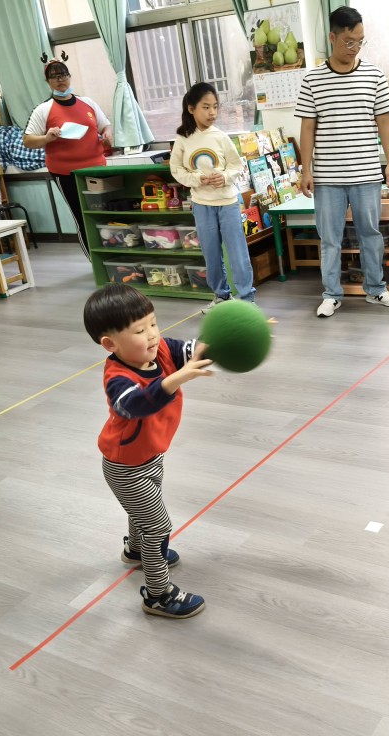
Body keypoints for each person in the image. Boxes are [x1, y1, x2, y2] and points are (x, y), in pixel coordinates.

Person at [83, 283, 213, 618]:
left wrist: (230, 338)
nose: (153, 335)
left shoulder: (161, 350)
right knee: (158, 526)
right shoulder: (117, 376)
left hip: (151, 455)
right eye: (140, 331)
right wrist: (176, 379)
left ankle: (136, 551)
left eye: (153, 323)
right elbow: (135, 405)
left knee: (140, 512)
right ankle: (158, 595)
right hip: (125, 467)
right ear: (110, 344)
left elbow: (194, 350)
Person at [295, 6, 389, 318]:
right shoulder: (312, 80)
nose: (355, 48)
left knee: (370, 234)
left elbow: (384, 123)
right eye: (349, 41)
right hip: (327, 177)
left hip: (366, 173)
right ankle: (331, 294)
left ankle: (376, 289)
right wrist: (306, 170)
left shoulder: (374, 76)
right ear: (332, 37)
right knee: (330, 239)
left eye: (360, 41)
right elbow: (307, 128)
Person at [170, 82, 256, 312]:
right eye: (206, 107)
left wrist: (224, 177)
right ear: (191, 109)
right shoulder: (183, 138)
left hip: (227, 203)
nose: (212, 112)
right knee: (211, 254)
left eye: (215, 107)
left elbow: (237, 165)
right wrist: (197, 179)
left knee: (238, 253)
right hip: (201, 205)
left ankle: (247, 298)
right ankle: (221, 296)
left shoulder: (221, 137)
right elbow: (176, 170)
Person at [24, 52, 113, 256]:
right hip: (66, 173)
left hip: (97, 169)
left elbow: (105, 126)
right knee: (82, 216)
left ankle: (111, 257)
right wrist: (47, 138)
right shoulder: (43, 109)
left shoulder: (87, 103)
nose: (60, 79)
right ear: (48, 81)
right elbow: (28, 140)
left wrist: (107, 134)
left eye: (63, 75)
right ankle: (95, 262)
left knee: (105, 213)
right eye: (55, 76)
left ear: (69, 77)